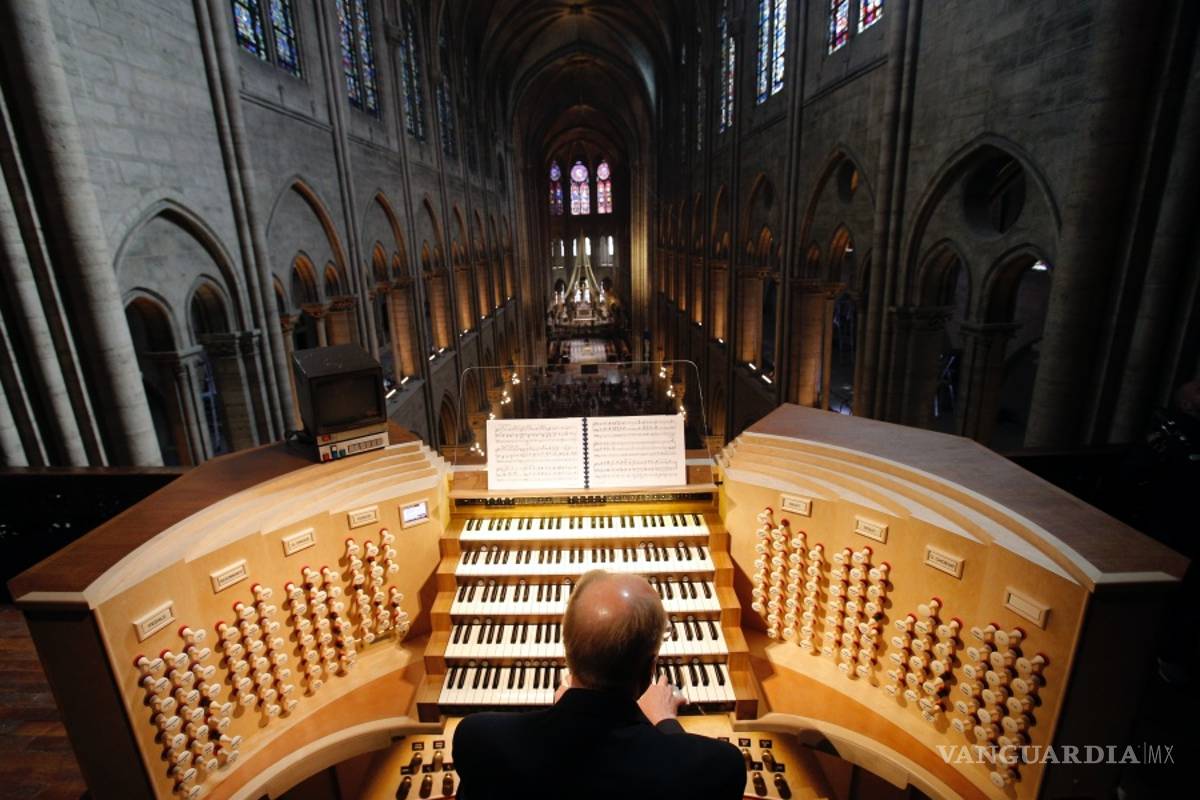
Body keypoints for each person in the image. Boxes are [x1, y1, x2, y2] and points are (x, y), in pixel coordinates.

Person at [452, 570, 745, 800]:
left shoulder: (479, 739)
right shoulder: (718, 767)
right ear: (649, 669)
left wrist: (567, 712)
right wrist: (666, 725)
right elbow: (678, 766)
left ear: (567, 653)